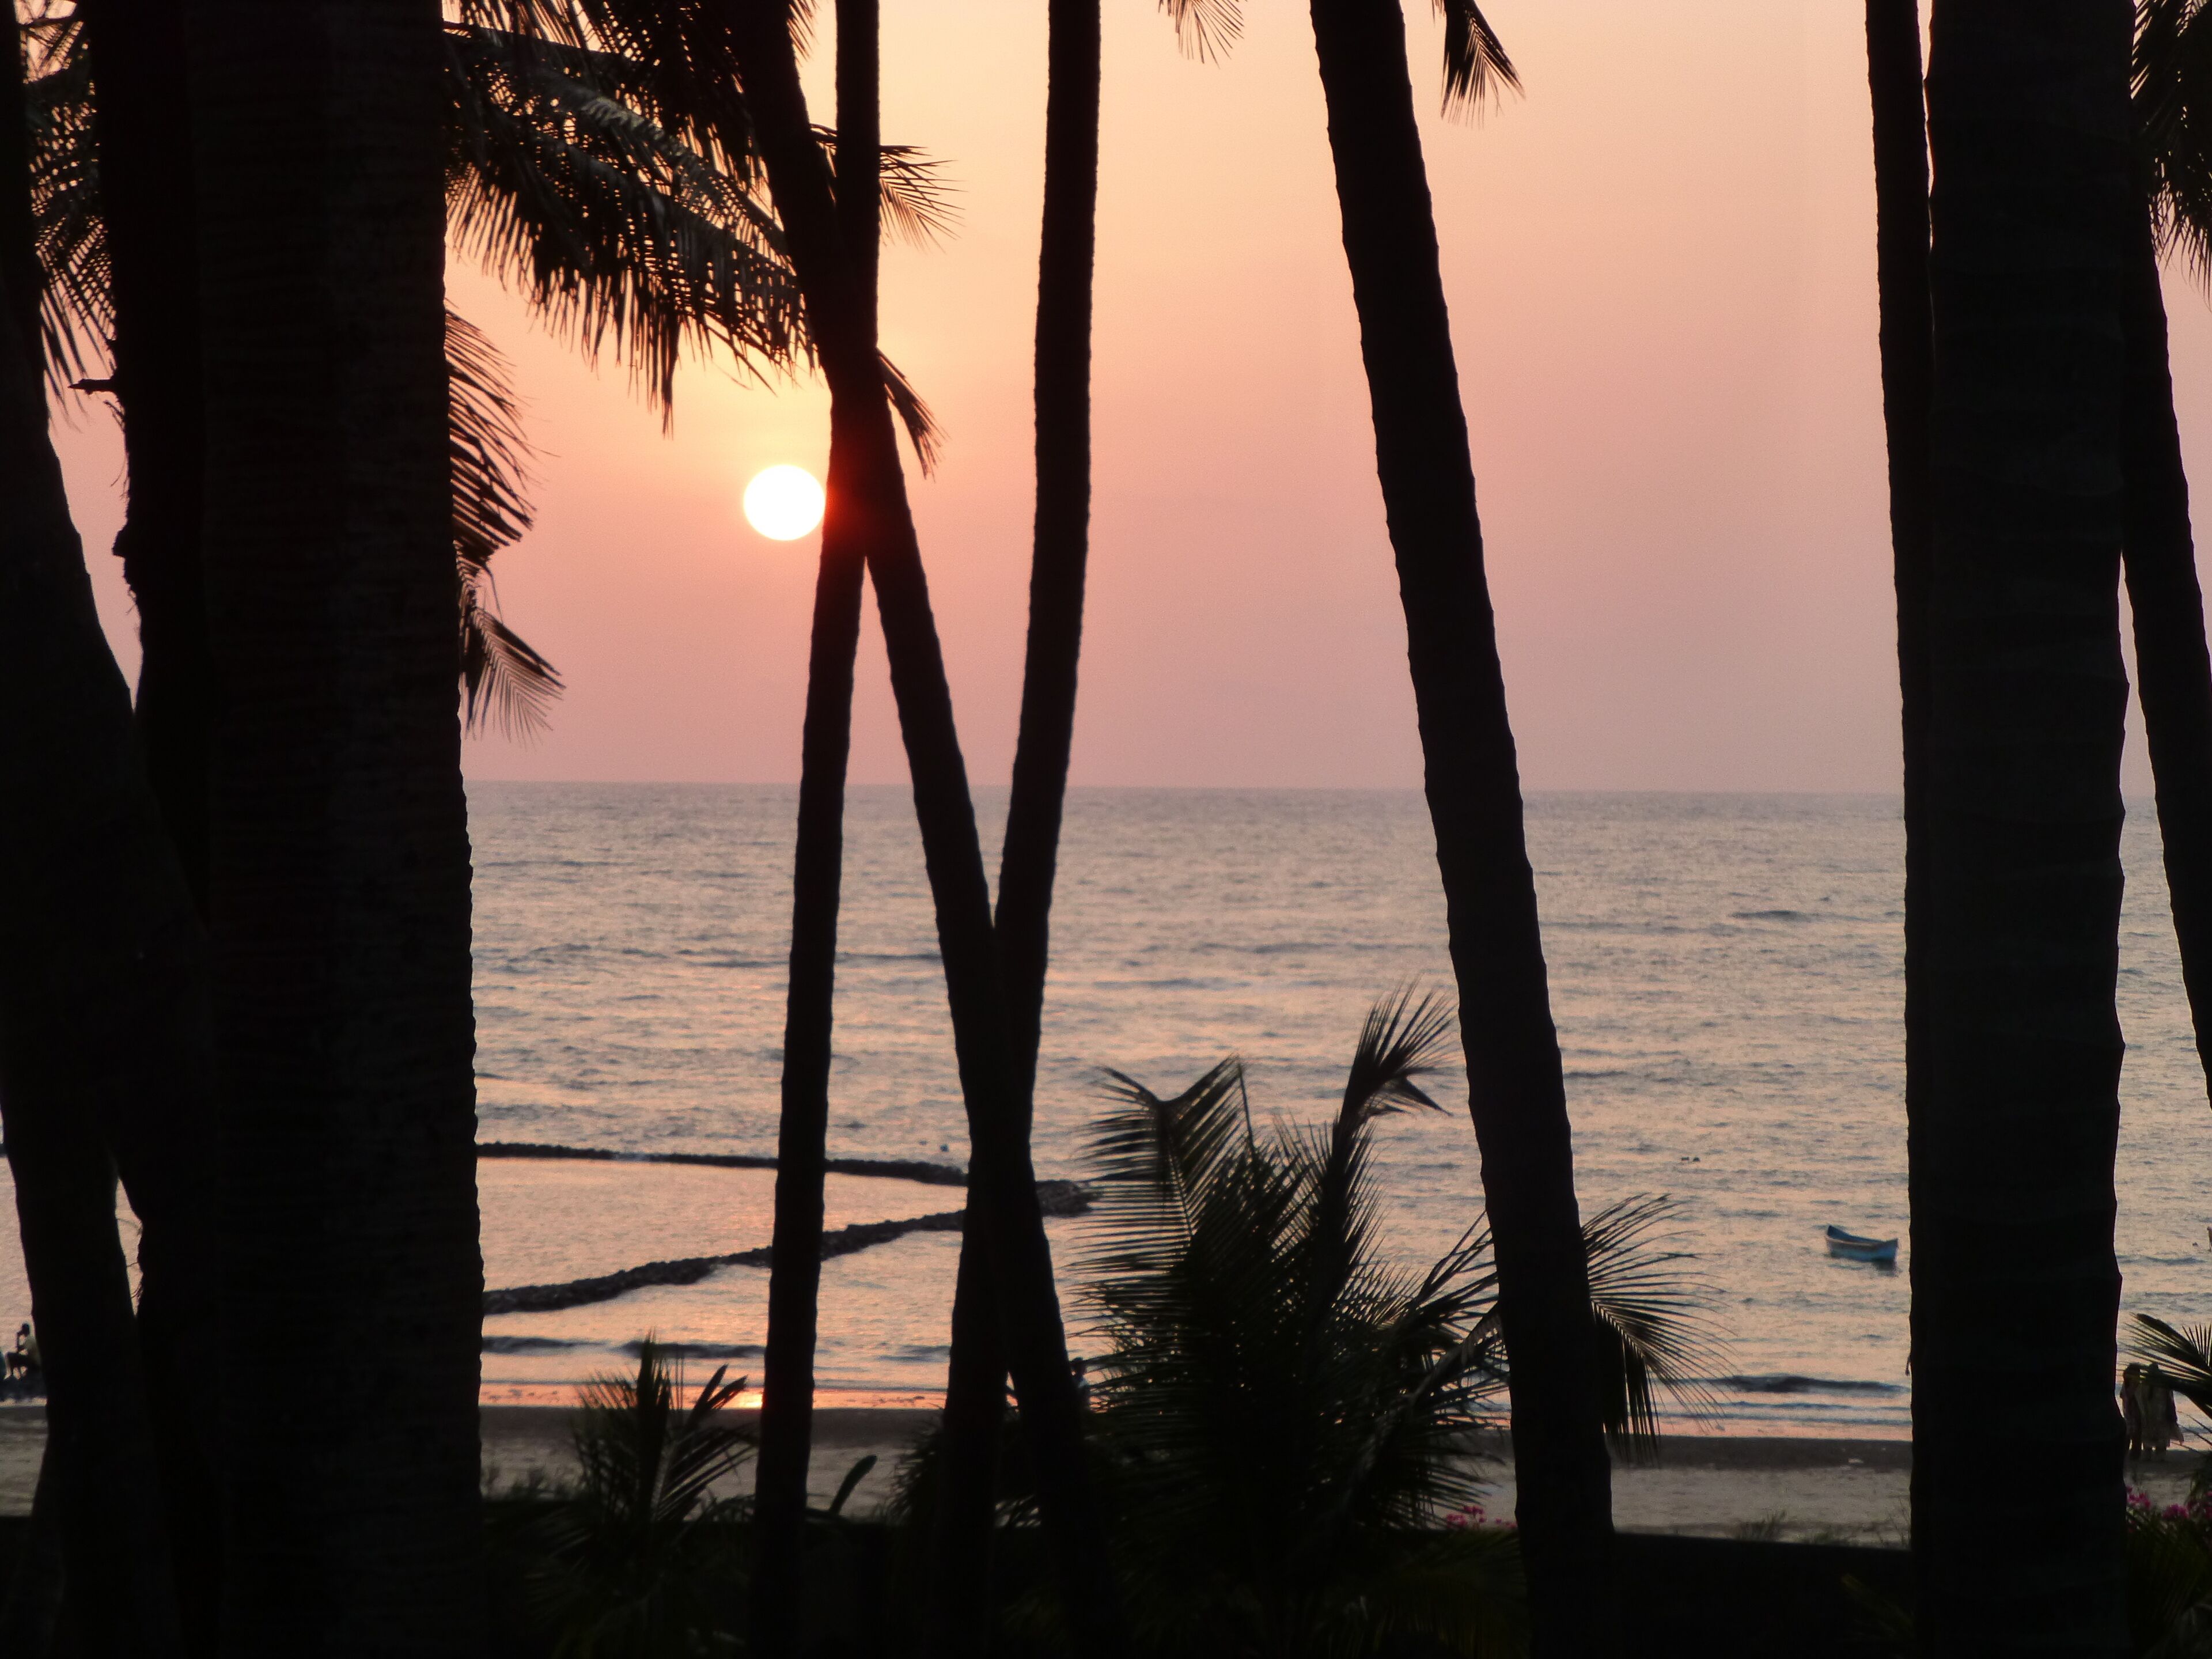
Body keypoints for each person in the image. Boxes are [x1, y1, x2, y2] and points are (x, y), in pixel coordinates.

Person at [2147, 1366, 2183, 1457]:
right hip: (2161, 1412)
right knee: (2161, 1435)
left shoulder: (2148, 1383)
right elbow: (2170, 1399)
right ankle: (2160, 1455)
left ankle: (2151, 1454)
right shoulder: (2162, 1383)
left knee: (2153, 1434)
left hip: (2154, 1413)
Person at [2124, 1363, 2147, 1460]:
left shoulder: (2134, 1384)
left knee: (2134, 1433)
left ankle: (2134, 1454)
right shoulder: (2131, 1385)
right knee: (2132, 1433)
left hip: (2134, 1410)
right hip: (2132, 1411)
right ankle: (2133, 1454)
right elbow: (2127, 1396)